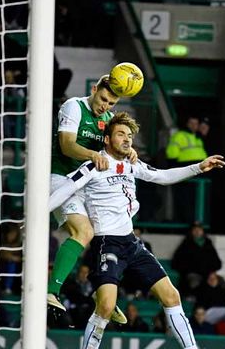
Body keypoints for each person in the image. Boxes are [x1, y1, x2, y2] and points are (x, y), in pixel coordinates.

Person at [48, 112, 225, 349]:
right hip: (106, 243)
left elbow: (162, 176)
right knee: (106, 306)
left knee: (172, 296)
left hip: (132, 243)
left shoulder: (133, 164)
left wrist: (198, 167)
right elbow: (67, 188)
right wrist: (39, 211)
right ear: (107, 139)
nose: (127, 139)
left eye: (130, 136)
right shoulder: (94, 164)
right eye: (121, 134)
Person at [47, 75, 133, 324]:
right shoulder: (74, 106)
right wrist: (94, 155)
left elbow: (116, 146)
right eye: (103, 99)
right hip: (61, 179)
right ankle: (51, 291)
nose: (105, 106)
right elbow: (66, 145)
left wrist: (129, 150)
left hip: (88, 185)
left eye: (111, 103)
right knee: (83, 232)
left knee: (106, 234)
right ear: (94, 89)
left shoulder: (107, 120)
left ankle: (100, 291)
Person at [166, 116, 209, 222]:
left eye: (196, 123)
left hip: (199, 171)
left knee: (195, 200)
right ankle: (185, 221)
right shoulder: (180, 136)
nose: (194, 126)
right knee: (185, 199)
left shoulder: (198, 137)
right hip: (186, 170)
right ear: (187, 124)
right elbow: (172, 155)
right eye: (192, 123)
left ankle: (195, 222)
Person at [171, 222, 223, 297]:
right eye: (195, 229)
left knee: (222, 285)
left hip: (207, 275)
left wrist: (212, 272)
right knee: (196, 283)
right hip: (192, 275)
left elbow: (217, 263)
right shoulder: (186, 244)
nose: (197, 231)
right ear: (191, 231)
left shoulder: (208, 244)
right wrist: (189, 270)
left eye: (199, 229)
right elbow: (176, 262)